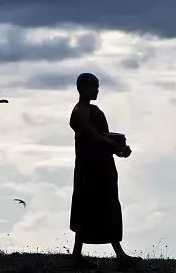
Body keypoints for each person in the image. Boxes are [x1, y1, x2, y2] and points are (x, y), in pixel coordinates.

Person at [69, 73, 140, 269]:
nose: (97, 91)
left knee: (106, 207)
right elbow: (94, 137)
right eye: (94, 87)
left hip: (102, 166)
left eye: (98, 87)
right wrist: (117, 147)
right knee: (88, 208)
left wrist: (118, 147)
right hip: (88, 169)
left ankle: (114, 255)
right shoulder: (79, 113)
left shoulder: (94, 111)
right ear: (83, 88)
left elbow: (103, 136)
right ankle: (112, 255)